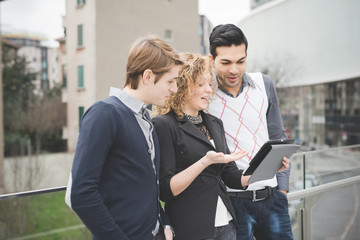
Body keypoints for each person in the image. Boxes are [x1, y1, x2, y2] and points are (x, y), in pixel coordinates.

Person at [152, 53, 289, 240]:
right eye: (201, 84)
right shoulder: (164, 124)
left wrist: (268, 169)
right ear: (183, 86)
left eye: (209, 83)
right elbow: (166, 190)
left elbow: (231, 177)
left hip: (227, 224)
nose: (209, 90)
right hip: (191, 226)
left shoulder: (214, 123)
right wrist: (205, 162)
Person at [65, 35, 184, 240]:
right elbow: (79, 195)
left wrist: (164, 223)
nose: (174, 89)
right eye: (170, 81)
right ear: (148, 76)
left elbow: (146, 187)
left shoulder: (145, 117)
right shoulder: (104, 114)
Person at [207, 24, 294, 240]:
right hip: (232, 202)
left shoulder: (264, 84)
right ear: (212, 60)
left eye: (241, 61)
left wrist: (282, 190)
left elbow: (277, 136)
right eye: (226, 62)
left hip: (273, 197)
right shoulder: (205, 95)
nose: (234, 70)